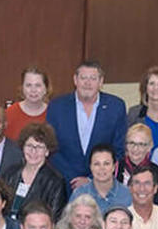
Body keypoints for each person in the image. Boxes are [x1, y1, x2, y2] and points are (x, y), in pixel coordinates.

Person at [46, 59, 128, 187]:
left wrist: (91, 179)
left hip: (101, 184)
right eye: (83, 77)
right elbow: (51, 148)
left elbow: (118, 149)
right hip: (63, 183)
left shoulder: (116, 107)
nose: (87, 83)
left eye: (93, 78)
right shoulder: (57, 107)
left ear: (101, 82)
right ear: (75, 80)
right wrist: (72, 178)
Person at [1, 121, 68, 218]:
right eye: (29, 146)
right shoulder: (9, 174)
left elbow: (54, 218)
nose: (33, 151)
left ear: (47, 151)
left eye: (39, 147)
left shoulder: (55, 182)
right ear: (22, 147)